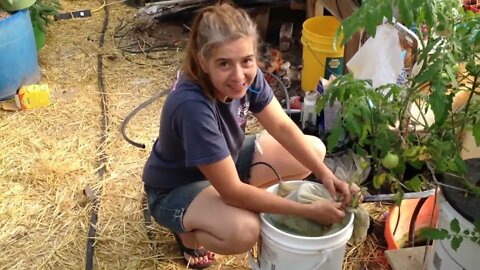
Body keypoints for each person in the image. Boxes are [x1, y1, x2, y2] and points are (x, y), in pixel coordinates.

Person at [142, 3, 359, 269]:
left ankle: (226, 208)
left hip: (225, 164)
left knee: (313, 151)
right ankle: (188, 235)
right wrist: (306, 211)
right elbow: (232, 191)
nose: (238, 76)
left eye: (246, 60)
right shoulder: (192, 107)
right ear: (203, 61)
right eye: (224, 63)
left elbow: (282, 127)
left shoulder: (249, 75)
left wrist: (327, 175)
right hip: (176, 188)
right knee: (245, 230)